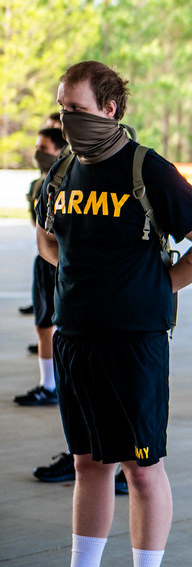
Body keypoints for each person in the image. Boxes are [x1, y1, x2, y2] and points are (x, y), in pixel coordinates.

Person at [38, 60, 192, 567]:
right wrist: (88, 279)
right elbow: (47, 239)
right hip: (75, 337)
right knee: (87, 464)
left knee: (141, 469)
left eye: (76, 109)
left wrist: (152, 289)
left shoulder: (148, 169)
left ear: (110, 108)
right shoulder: (62, 171)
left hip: (134, 343)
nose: (66, 119)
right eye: (61, 109)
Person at [14, 127, 66, 406]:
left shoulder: (68, 179)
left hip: (63, 262)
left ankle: (58, 385)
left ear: (59, 150)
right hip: (43, 260)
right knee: (43, 325)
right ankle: (48, 384)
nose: (38, 154)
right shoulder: (38, 184)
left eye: (43, 149)